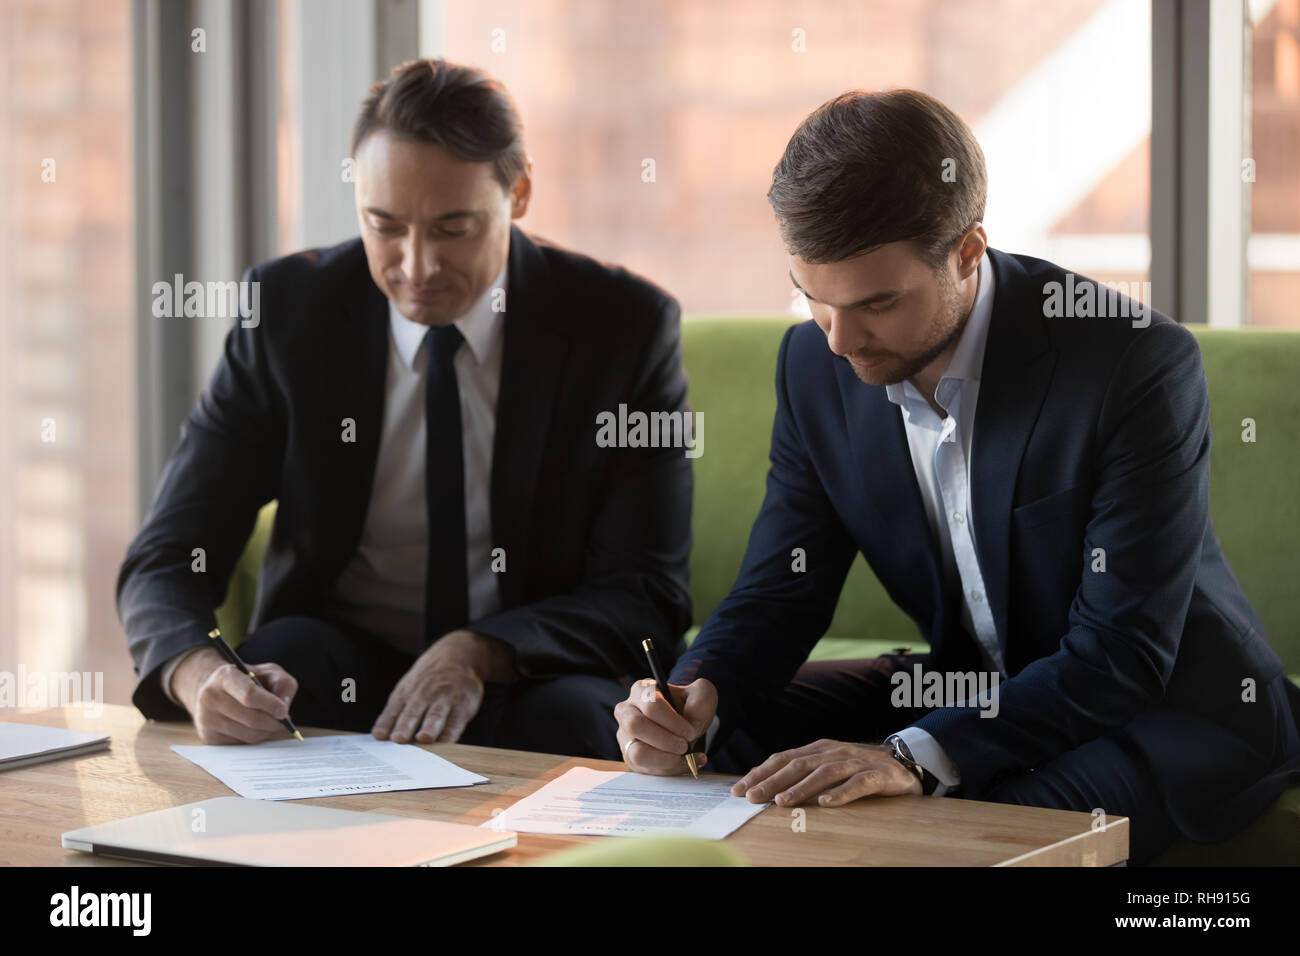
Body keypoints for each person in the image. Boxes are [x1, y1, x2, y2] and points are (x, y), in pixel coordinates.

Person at [614, 88, 1300, 865]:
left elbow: (1123, 654)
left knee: (950, 830)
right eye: (813, 298)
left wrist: (908, 755)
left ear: (968, 251)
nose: (840, 342)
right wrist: (695, 695)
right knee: (724, 736)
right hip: (966, 686)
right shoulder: (813, 364)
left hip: (1158, 708)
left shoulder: (1131, 363)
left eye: (876, 302)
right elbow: (783, 585)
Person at [119, 58, 692, 757]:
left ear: (519, 194)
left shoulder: (622, 328)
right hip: (339, 662)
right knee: (270, 685)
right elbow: (169, 556)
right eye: (384, 225)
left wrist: (476, 651)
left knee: (585, 720)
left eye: (453, 228)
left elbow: (647, 592)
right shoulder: (288, 315)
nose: (416, 267)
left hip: (528, 668)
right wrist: (196, 672)